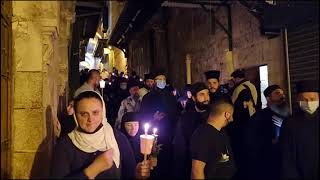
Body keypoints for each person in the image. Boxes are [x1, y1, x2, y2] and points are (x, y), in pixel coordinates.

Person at [50, 91, 151, 179]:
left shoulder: (117, 138)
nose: (90, 119)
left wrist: (137, 174)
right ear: (75, 115)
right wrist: (92, 170)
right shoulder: (65, 145)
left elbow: (129, 173)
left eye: (95, 113)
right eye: (84, 114)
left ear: (103, 113)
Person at [243, 85, 290, 179]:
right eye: (277, 93)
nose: (282, 96)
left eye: (282, 93)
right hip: (267, 163)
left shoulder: (288, 116)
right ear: (268, 98)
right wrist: (271, 142)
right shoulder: (258, 117)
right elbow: (251, 142)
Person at [140, 68, 177, 178]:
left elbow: (175, 113)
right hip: (153, 132)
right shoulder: (147, 98)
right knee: (154, 162)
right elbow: (143, 115)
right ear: (155, 82)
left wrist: (168, 116)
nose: (161, 81)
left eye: (163, 79)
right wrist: (153, 118)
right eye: (159, 79)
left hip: (168, 132)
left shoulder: (170, 96)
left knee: (167, 160)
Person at [281, 80, 319, 179]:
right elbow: (286, 157)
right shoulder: (289, 123)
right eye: (305, 99)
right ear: (298, 100)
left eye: (312, 99)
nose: (309, 103)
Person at [190, 98, 236, 179]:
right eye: (232, 114)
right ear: (227, 115)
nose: (232, 118)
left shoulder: (221, 132)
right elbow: (196, 170)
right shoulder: (203, 135)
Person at [173, 82, 210, 179]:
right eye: (202, 94)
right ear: (193, 98)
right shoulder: (185, 118)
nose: (206, 98)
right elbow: (179, 147)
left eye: (207, 94)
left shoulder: (214, 115)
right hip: (191, 165)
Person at [227, 68, 258, 178]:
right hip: (251, 119)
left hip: (242, 123)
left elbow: (238, 107)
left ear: (236, 78)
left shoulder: (241, 88)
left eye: (233, 79)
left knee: (242, 149)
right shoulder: (251, 85)